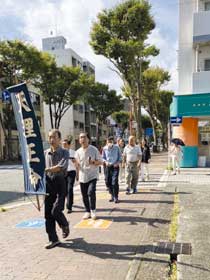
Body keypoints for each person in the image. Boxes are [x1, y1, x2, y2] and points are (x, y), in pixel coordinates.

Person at [44, 129, 70, 249]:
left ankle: (64, 224)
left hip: (60, 183)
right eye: (50, 137)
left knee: (56, 210)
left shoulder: (64, 152)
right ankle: (53, 239)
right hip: (48, 184)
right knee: (48, 214)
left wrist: (48, 170)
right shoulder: (45, 153)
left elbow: (61, 166)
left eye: (54, 137)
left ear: (59, 139)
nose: (51, 140)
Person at [75, 132, 102, 220]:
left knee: (90, 192)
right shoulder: (78, 152)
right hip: (83, 176)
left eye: (84, 137)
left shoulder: (94, 149)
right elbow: (77, 164)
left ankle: (93, 211)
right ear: (79, 140)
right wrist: (77, 172)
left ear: (88, 139)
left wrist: (93, 162)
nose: (82, 139)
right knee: (84, 195)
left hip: (92, 175)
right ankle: (87, 211)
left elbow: (100, 162)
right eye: (80, 138)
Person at [102, 136, 122, 203]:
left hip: (115, 167)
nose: (109, 143)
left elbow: (120, 157)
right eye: (108, 142)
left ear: (112, 142)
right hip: (108, 167)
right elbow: (103, 158)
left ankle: (116, 197)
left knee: (115, 181)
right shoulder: (104, 148)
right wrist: (105, 162)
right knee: (108, 181)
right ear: (106, 142)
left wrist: (117, 163)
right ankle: (112, 195)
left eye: (111, 142)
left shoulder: (117, 148)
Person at [62, 139, 78, 213]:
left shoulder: (73, 153)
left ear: (69, 145)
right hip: (63, 172)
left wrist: (77, 174)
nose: (64, 146)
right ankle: (70, 200)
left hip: (71, 172)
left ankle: (69, 207)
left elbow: (76, 164)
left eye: (65, 144)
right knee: (64, 190)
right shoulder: (61, 152)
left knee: (70, 188)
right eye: (63, 144)